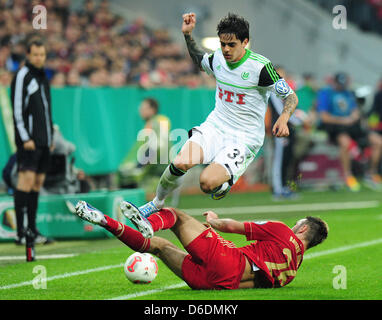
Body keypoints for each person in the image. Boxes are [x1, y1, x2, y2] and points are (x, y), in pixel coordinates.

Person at [138, 12, 299, 217]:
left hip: (244, 138)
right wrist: (188, 36)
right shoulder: (217, 58)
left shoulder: (261, 68)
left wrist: (284, 118)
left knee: (206, 183)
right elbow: (199, 59)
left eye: (231, 44)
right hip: (216, 126)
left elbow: (291, 97)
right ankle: (156, 204)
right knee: (179, 162)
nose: (226, 49)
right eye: (223, 44)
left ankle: (223, 183)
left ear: (245, 42)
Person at [74, 200, 328, 289]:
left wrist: (215, 223)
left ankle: (149, 223)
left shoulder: (283, 231)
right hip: (216, 285)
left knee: (176, 215)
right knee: (160, 247)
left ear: (303, 228)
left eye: (298, 223)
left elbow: (233, 227)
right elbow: (253, 283)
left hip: (229, 262)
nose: (294, 226)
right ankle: (103, 220)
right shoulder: (292, 271)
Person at [11, 38, 54, 245]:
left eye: (42, 55)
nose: (39, 58)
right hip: (29, 142)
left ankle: (33, 230)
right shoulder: (22, 76)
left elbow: (46, 111)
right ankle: (21, 232)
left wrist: (50, 137)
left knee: (36, 185)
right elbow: (17, 110)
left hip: (44, 141)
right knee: (25, 182)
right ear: (28, 55)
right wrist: (24, 137)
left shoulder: (43, 77)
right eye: (35, 54)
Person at [317, 72, 382, 191]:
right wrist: (343, 120)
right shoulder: (326, 93)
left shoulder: (349, 93)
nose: (342, 86)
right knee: (345, 143)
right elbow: (324, 116)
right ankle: (348, 176)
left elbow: (355, 110)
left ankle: (371, 173)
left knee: (378, 141)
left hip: (352, 126)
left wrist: (353, 117)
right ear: (334, 82)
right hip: (335, 127)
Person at [118, 98, 172, 191]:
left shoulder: (160, 121)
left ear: (152, 110)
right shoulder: (148, 124)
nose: (141, 111)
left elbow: (158, 145)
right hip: (148, 164)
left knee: (127, 175)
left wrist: (140, 166)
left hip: (156, 168)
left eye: (144, 108)